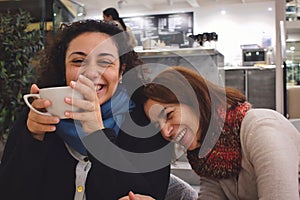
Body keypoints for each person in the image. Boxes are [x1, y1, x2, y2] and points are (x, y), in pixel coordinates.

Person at [0, 19, 171, 200]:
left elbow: (147, 194)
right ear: (63, 69)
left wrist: (98, 135)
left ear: (122, 72)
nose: (90, 72)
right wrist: (32, 138)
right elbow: (8, 191)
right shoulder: (39, 116)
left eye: (105, 62)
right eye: (78, 60)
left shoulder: (146, 122)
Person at [137, 66, 300, 199]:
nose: (166, 132)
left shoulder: (260, 129)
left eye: (168, 114)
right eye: (158, 127)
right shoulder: (211, 158)